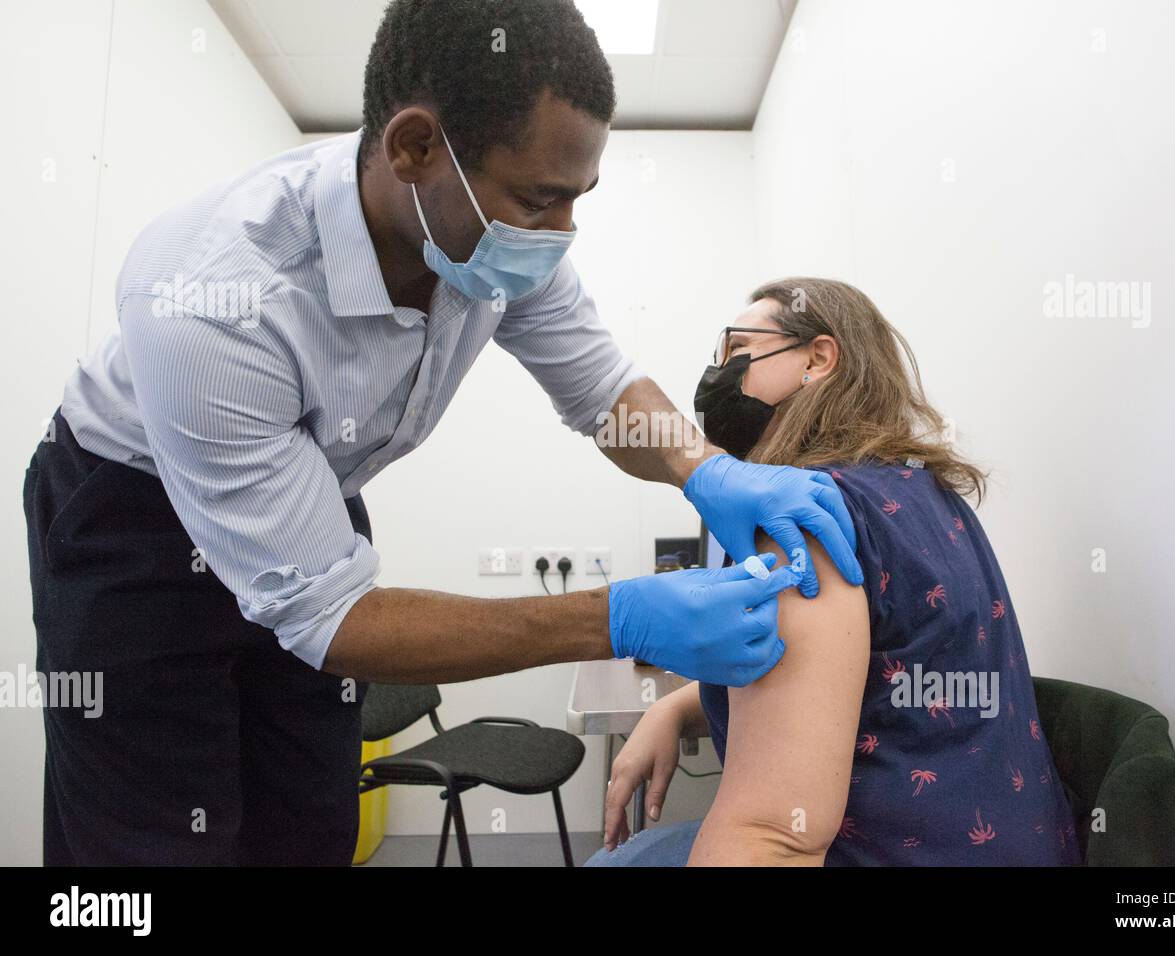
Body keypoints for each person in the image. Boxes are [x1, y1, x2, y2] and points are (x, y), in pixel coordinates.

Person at [21, 1, 863, 866]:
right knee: (152, 842)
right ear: (415, 147)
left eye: (578, 199)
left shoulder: (492, 241)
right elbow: (334, 615)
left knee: (309, 823)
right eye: (542, 198)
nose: (562, 232)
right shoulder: (213, 294)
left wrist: (709, 472)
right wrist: (619, 617)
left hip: (311, 489)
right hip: (134, 514)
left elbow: (605, 389)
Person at [588, 278, 1083, 866]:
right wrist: (673, 706)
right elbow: (862, 675)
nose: (717, 371)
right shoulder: (925, 493)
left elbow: (775, 835)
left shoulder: (801, 517)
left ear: (819, 358)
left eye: (736, 347)